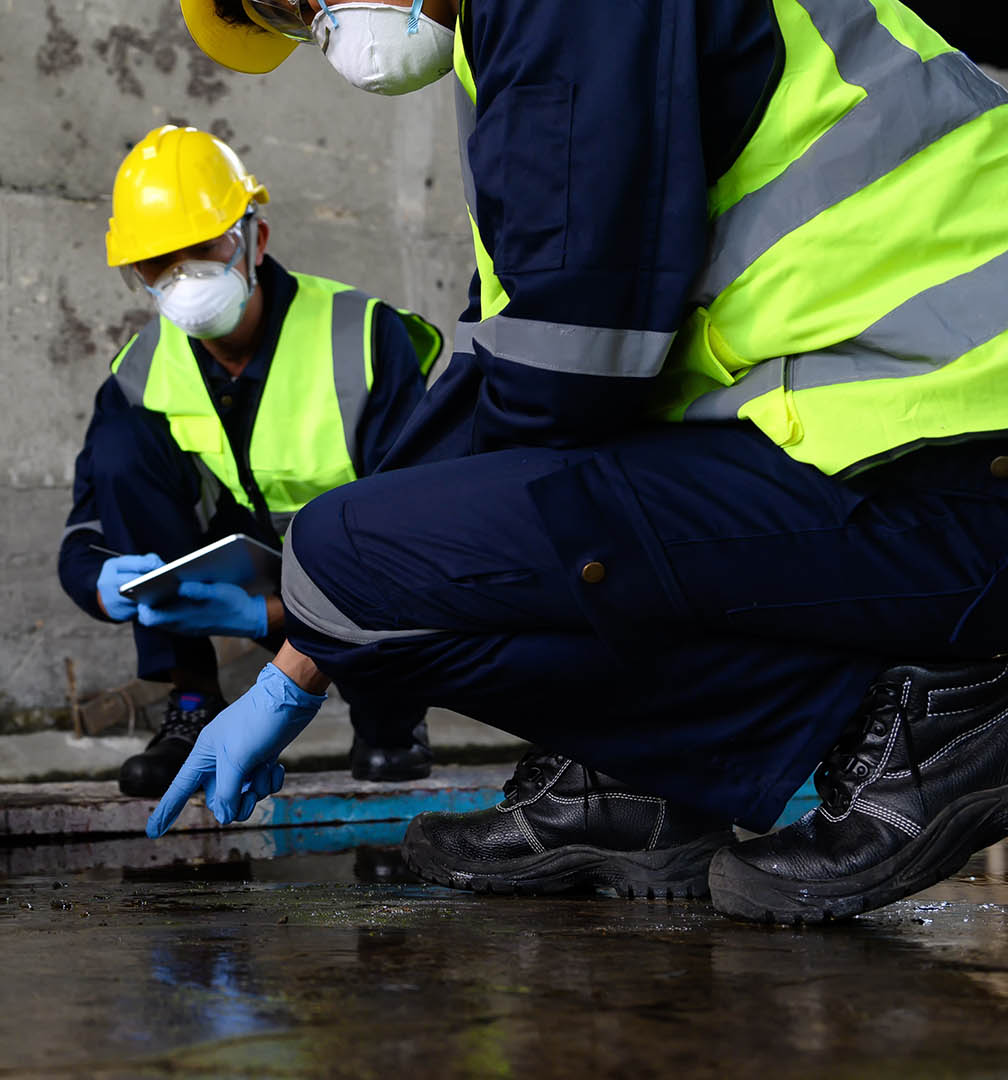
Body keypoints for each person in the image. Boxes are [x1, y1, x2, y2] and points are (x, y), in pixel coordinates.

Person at [151, 0, 1008, 925]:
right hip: (897, 438)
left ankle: (948, 717)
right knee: (359, 567)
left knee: (357, 560)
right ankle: (639, 786)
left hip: (951, 458)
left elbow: (569, 366)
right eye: (287, 16)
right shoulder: (515, 32)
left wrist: (324, 613)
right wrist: (307, 641)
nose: (321, 26)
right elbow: (515, 363)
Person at [59, 124, 444, 797]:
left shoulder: (359, 336)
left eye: (203, 249)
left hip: (355, 586)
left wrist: (265, 617)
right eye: (158, 263)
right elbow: (83, 537)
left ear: (255, 239)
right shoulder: (138, 374)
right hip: (233, 579)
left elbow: (421, 541)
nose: (184, 278)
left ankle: (391, 716)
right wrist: (109, 584)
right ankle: (192, 701)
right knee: (123, 451)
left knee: (397, 566)